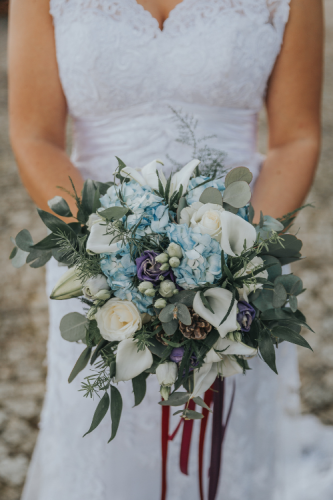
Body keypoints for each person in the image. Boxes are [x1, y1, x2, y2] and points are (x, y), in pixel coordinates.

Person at [8, 1, 324, 499]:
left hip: (239, 268)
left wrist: (237, 268)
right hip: (98, 269)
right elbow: (34, 135)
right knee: (101, 449)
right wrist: (112, 260)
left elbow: (297, 137)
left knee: (225, 450)